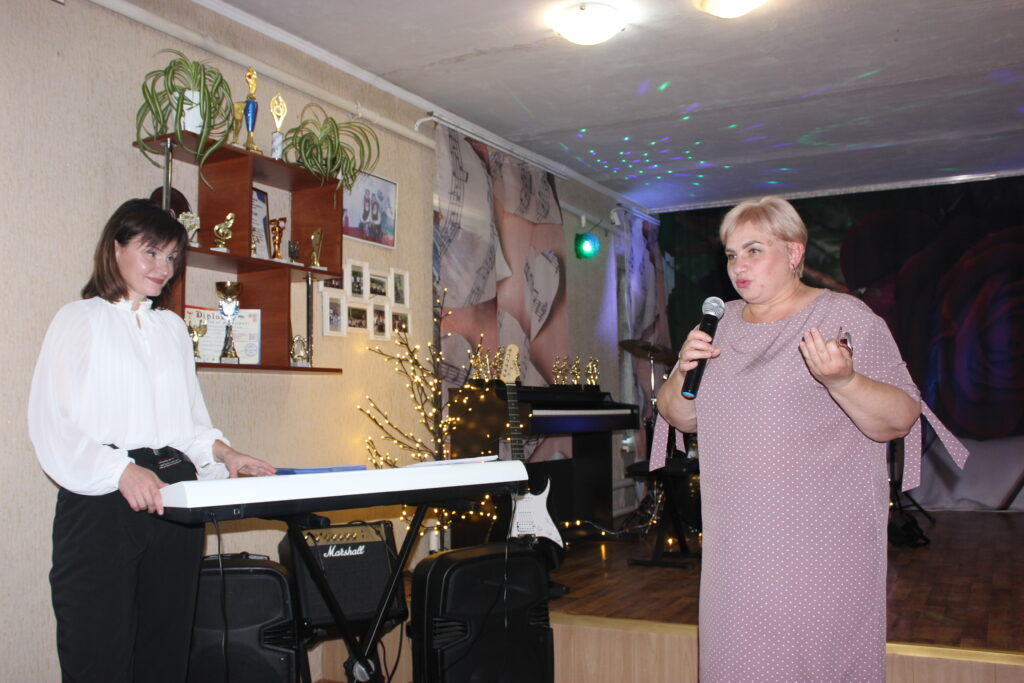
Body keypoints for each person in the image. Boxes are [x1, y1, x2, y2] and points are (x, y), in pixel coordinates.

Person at [656, 196, 924, 681]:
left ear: (794, 252)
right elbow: (681, 416)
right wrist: (681, 370)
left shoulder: (844, 316)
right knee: (738, 662)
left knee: (815, 662)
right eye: (731, 254)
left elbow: (900, 418)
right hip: (736, 546)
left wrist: (844, 381)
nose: (738, 266)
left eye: (754, 250)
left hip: (819, 546)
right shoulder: (717, 325)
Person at [28, 198, 277, 683]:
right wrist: (120, 470)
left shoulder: (173, 329)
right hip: (102, 503)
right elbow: (52, 421)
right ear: (115, 248)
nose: (164, 267)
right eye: (151, 252)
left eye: (171, 257)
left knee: (165, 654)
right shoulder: (78, 319)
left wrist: (227, 455)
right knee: (97, 656)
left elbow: (188, 427)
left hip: (174, 499)